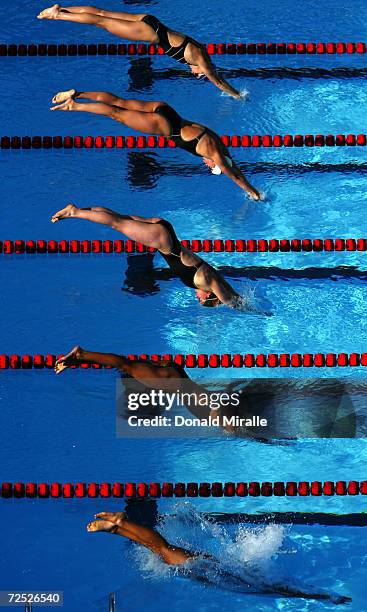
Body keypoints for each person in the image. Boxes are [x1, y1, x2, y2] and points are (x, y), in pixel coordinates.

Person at [55, 347, 357, 440]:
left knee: (265, 434)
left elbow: (120, 361)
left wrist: (81, 356)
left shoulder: (144, 373)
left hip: (219, 412)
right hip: (218, 404)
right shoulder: (166, 371)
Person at [87, 510, 351, 603]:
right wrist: (328, 596)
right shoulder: (261, 585)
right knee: (164, 551)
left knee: (162, 551)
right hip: (202, 567)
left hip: (206, 567)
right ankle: (119, 525)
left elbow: (292, 589)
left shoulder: (253, 583)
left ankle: (119, 528)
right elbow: (293, 591)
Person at [49, 90, 260, 198]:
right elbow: (233, 173)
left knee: (120, 102)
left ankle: (78, 93)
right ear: (216, 162)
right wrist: (252, 192)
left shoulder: (217, 142)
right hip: (163, 125)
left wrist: (230, 167)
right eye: (211, 167)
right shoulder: (213, 153)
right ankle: (74, 105)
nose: (207, 166)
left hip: (165, 110)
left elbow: (233, 167)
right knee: (117, 114)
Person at [50, 204, 245, 307]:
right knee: (117, 223)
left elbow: (230, 294)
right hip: (162, 240)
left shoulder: (208, 278)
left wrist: (241, 300)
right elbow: (228, 300)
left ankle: (82, 210)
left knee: (120, 218)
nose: (197, 297)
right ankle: (74, 211)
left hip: (165, 230)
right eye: (201, 299)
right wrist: (252, 311)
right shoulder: (208, 281)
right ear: (211, 295)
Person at [37, 5, 241, 98]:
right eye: (198, 75)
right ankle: (58, 16)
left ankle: (62, 10)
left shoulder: (197, 53)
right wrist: (237, 95)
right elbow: (217, 80)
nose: (194, 74)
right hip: (150, 32)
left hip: (150, 21)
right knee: (102, 21)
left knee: (102, 14)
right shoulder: (200, 59)